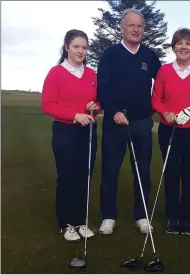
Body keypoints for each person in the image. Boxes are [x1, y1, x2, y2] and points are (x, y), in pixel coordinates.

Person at [97, 8, 162, 234]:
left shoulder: (149, 56)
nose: (136, 29)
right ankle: (108, 216)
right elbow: (102, 88)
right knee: (110, 171)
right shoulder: (110, 55)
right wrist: (113, 110)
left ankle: (141, 215)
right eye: (131, 25)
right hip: (116, 122)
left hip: (142, 122)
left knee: (142, 171)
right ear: (122, 28)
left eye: (139, 26)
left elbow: (162, 83)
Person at [41, 29, 101, 242]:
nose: (81, 51)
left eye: (84, 47)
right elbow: (47, 105)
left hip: (88, 132)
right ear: (67, 47)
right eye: (76, 46)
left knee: (84, 177)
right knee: (67, 177)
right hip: (65, 132)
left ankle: (79, 220)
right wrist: (75, 115)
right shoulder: (56, 72)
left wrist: (95, 107)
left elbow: (98, 103)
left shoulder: (92, 74)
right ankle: (65, 224)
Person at [151, 28, 190, 235]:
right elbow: (156, 98)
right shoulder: (164, 71)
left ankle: (187, 218)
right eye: (179, 43)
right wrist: (165, 112)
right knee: (172, 173)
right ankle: (172, 217)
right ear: (174, 46)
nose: (183, 47)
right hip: (169, 130)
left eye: (188, 43)